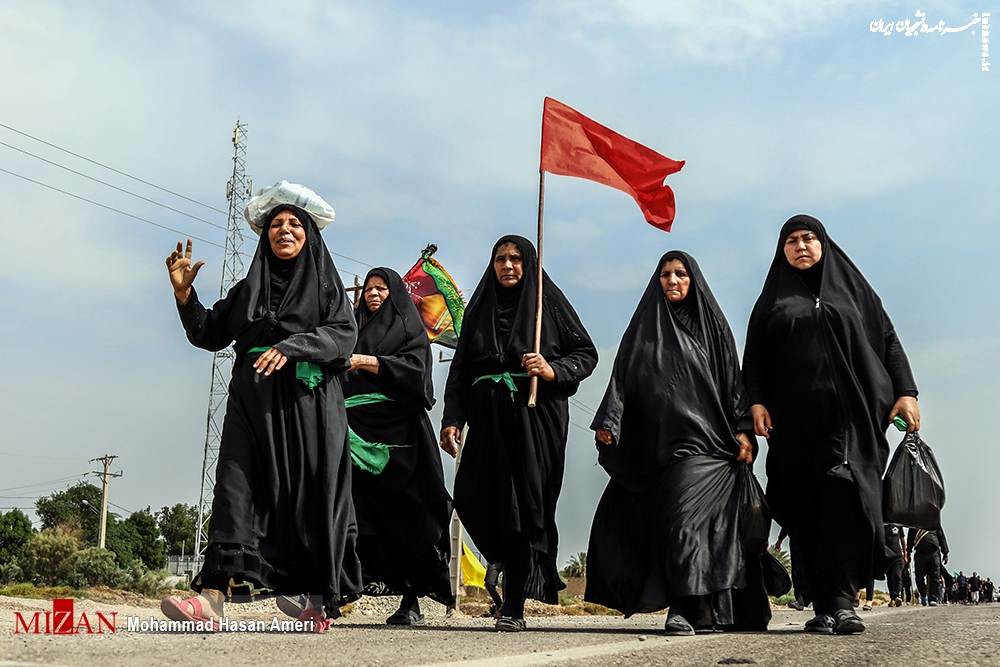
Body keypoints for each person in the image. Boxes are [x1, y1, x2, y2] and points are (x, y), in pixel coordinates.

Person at [161, 182, 361, 632]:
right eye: (275, 224)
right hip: (250, 403)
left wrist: (294, 347)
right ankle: (212, 597)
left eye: (294, 224)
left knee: (308, 496)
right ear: (264, 235)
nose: (284, 230)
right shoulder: (247, 290)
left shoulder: (328, 288)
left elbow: (343, 336)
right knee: (233, 487)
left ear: (310, 235)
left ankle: (315, 600)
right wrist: (184, 296)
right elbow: (209, 334)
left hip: (307, 407)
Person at [743, 215, 921, 636]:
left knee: (844, 500)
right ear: (781, 250)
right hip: (795, 424)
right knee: (804, 506)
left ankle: (842, 602)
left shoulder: (854, 293)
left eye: (809, 238)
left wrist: (906, 391)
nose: (801, 246)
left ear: (824, 244)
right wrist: (755, 402)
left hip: (853, 421)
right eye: (791, 240)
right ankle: (821, 602)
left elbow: (888, 340)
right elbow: (754, 358)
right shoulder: (772, 301)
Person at [585, 251, 771, 635]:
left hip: (711, 446)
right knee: (679, 528)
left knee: (696, 527)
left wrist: (742, 430)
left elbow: (733, 381)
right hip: (660, 448)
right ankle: (706, 612)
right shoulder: (643, 329)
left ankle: (684, 609)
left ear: (693, 280)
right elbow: (623, 375)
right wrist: (610, 419)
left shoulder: (713, 328)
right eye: (666, 274)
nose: (672, 280)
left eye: (681, 274)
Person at [439, 235, 598, 633]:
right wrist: (452, 417)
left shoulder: (548, 305)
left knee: (523, 509)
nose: (508, 266)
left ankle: (513, 605)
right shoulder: (478, 310)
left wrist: (551, 369)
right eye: (500, 259)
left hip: (534, 417)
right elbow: (460, 371)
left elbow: (586, 353)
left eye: (515, 259)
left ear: (528, 263)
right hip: (487, 418)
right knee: (472, 498)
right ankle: (504, 558)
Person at [343, 267, 455, 625]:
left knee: (407, 515)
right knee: (358, 515)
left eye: (382, 289)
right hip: (354, 437)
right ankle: (339, 590)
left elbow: (416, 374)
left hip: (400, 439)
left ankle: (412, 599)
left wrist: (367, 362)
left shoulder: (411, 334)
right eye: (369, 289)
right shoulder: (349, 331)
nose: (373, 294)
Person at [907, 528, 948, 606]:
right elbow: (910, 538)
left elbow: (941, 538)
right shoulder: (914, 524)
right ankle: (923, 595)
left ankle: (932, 598)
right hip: (920, 553)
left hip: (934, 553)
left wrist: (945, 553)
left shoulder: (934, 523)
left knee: (935, 576)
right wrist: (908, 552)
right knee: (919, 576)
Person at [775, 527, 810, 611]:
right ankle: (801, 600)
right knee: (798, 571)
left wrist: (780, 539)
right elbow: (788, 521)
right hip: (798, 539)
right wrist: (780, 538)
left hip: (810, 538)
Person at [884, 523, 906, 606]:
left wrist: (905, 553)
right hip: (887, 555)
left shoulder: (898, 525)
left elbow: (902, 539)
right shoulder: (883, 525)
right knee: (889, 577)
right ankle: (892, 598)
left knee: (897, 575)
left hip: (897, 554)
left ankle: (897, 596)